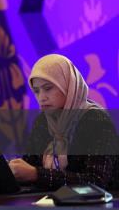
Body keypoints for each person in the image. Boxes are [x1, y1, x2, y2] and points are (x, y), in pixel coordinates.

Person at [9, 54, 117, 190]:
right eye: (36, 91)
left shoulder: (96, 120)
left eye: (48, 88)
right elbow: (29, 165)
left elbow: (96, 182)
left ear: (68, 85)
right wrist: (10, 171)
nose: (41, 97)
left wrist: (36, 174)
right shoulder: (43, 121)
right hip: (51, 202)